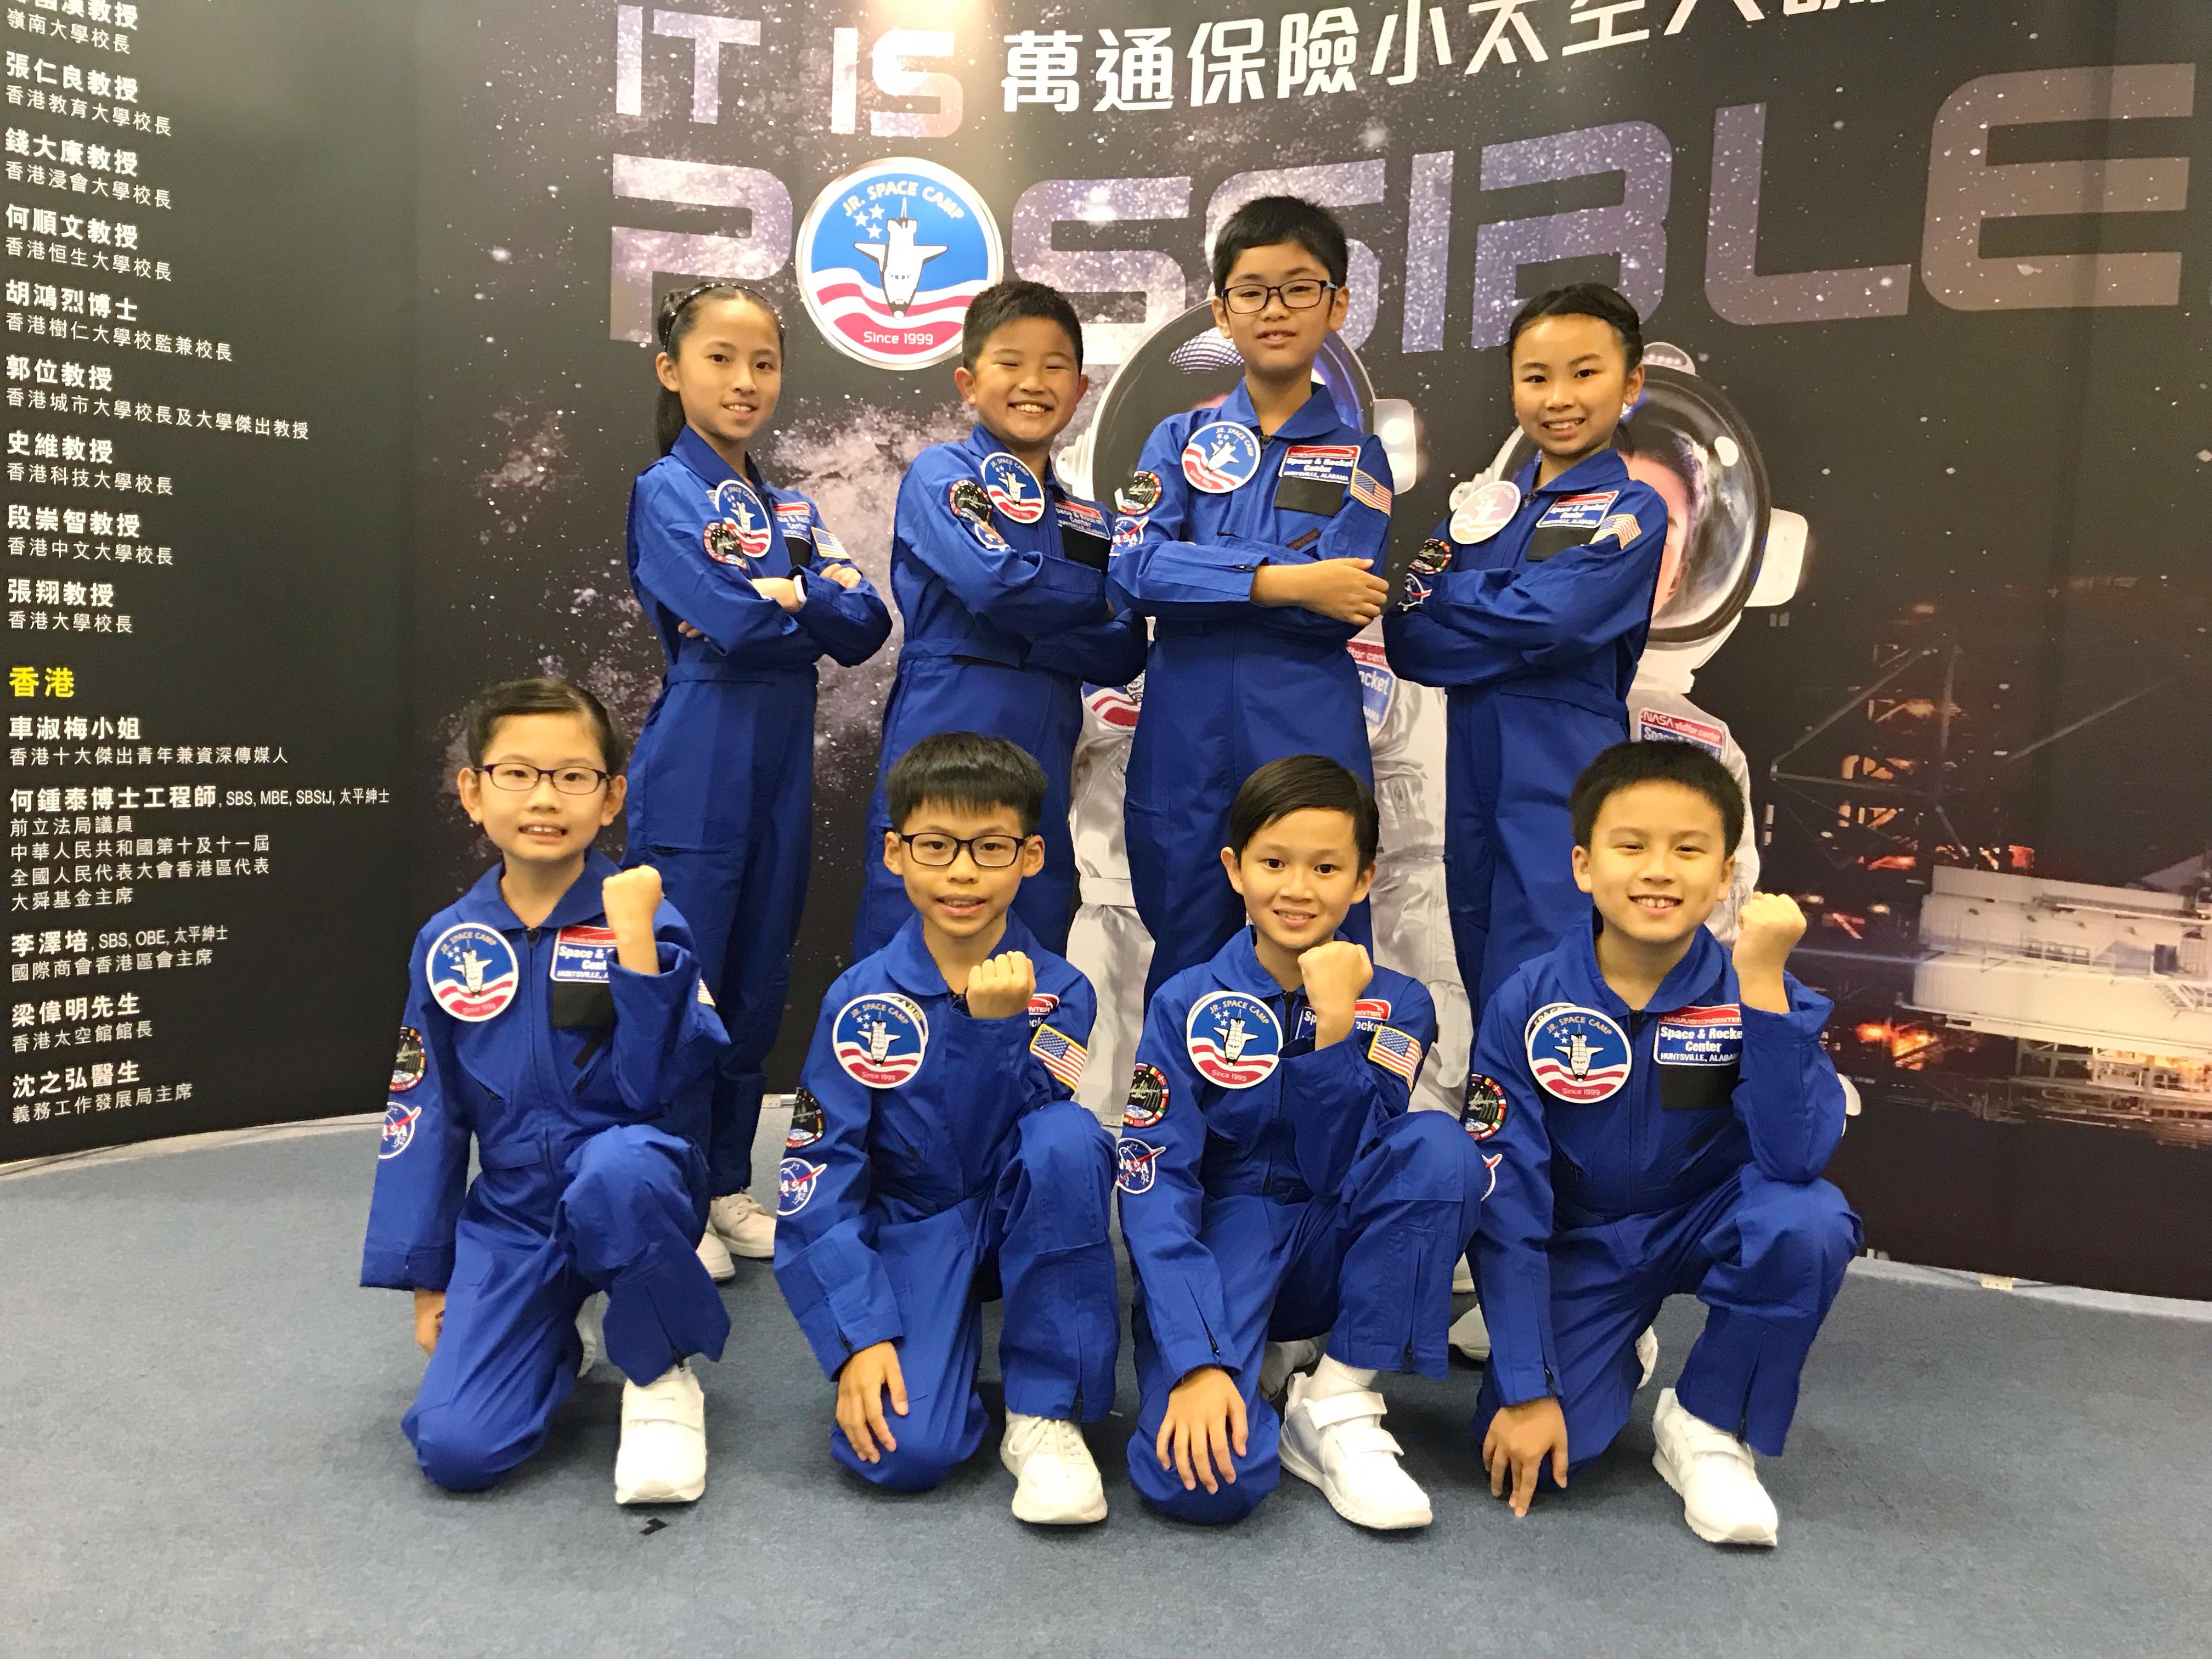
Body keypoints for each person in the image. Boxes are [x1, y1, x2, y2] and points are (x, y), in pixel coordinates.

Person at [1470, 740, 1860, 1547]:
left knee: (1808, 1220)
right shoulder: (1527, 1002)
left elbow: (1795, 1160)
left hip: (1706, 1218)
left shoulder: (1758, 988)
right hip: (1586, 1242)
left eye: (1689, 850)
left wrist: (1759, 993)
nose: (1659, 871)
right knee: (1550, 1450)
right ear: (1583, 865)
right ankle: (1618, 1342)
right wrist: (1526, 1384)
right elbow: (1505, 1197)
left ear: (1726, 877)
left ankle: (1709, 1423)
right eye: (1631, 846)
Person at [361, 677, 732, 1504]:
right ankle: (555, 1334)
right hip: (518, 1211)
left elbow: (659, 1087)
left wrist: (637, 948)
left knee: (623, 1167)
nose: (544, 798)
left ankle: (660, 1372)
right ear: (472, 791)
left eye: (573, 777)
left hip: (634, 1175)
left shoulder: (647, 920)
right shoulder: (449, 943)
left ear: (611, 799)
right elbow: (425, 1111)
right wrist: (432, 1277)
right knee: (456, 1450)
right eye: (518, 773)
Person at [1116, 755, 1493, 1531]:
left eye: (1326, 867)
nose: (1297, 888)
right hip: (1226, 1239)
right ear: (1234, 869)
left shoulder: (1400, 1004)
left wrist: (1333, 1027)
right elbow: (1156, 1179)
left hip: (1333, 1236)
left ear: (1363, 880)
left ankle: (1336, 1397)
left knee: (1440, 1149)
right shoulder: (1187, 1001)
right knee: (1202, 1486)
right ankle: (1252, 1357)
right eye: (1274, 863)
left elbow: (1351, 1163)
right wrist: (1195, 1359)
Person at [777, 733, 1120, 1524]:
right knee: (903, 1455)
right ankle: (925, 1344)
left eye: (990, 847)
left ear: (1031, 856)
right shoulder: (862, 1001)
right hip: (914, 1225)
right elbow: (818, 1172)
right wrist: (858, 1337)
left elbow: (1031, 1153)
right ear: (897, 853)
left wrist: (991, 1030)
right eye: (936, 846)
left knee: (1071, 1139)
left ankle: (1045, 1410)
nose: (963, 872)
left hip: (1013, 1215)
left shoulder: (1060, 989)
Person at [623, 282, 892, 1275]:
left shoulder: (790, 504)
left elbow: (865, 627)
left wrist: (793, 588)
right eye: (720, 359)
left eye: (763, 363)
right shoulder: (665, 492)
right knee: (682, 976)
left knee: (759, 970)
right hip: (701, 746)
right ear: (672, 369)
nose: (744, 381)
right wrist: (795, 598)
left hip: (782, 751)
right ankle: (668, 1188)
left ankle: (727, 1179)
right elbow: (732, 622)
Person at [1108, 196, 1395, 998]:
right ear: (1220, 311)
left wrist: (1203, 567)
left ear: (1337, 303)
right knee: (1185, 939)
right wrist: (1285, 576)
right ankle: (1176, 1122)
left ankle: (1322, 1115)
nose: (1275, 310)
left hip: (1303, 715)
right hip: (1185, 721)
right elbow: (1132, 569)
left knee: (1321, 947)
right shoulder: (1175, 439)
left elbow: (1346, 588)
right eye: (1252, 290)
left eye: (1300, 288)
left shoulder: (1360, 456)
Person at [1384, 281, 1668, 1011]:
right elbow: (1412, 639)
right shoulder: (1483, 510)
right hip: (1473, 759)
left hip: (1565, 762)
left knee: (1557, 964)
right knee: (1481, 956)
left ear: (1630, 384)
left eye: (1585, 373)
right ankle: (1495, 1122)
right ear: (1513, 389)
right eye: (1537, 377)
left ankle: (1553, 1122)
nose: (1559, 397)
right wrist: (1527, 624)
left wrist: (1461, 597)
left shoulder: (1634, 507)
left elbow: (1561, 622)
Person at [852, 281, 1146, 958]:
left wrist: (1026, 626)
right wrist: (1091, 599)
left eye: (1054, 367)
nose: (1032, 383)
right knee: (914, 927)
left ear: (1079, 388)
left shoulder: (1089, 520)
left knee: (1033, 935)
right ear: (968, 380)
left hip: (1043, 743)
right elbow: (993, 583)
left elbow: (1123, 650)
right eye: (1010, 363)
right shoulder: (942, 473)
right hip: (949, 716)